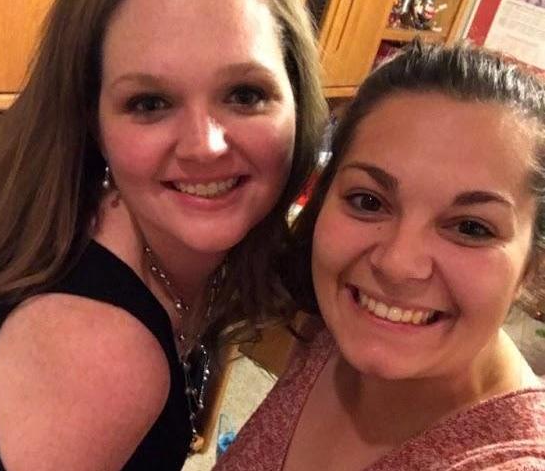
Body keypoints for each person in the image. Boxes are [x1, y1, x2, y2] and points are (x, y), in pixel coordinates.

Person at [0, 0, 327, 471]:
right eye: (150, 103)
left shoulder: (110, 231)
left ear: (298, 102)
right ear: (93, 123)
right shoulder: (102, 355)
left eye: (245, 94)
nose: (205, 145)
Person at [214, 41, 545, 471]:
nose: (396, 264)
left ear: (531, 267)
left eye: (470, 228)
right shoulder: (331, 329)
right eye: (368, 201)